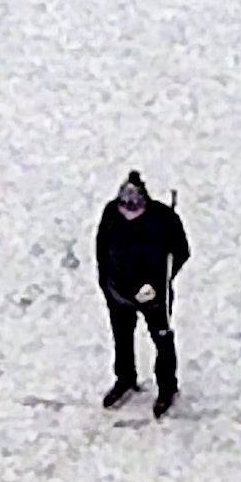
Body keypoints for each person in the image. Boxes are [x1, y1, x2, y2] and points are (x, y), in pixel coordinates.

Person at [95, 170, 190, 417]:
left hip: (153, 296)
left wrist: (160, 282)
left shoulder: (163, 218)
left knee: (162, 339)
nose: (129, 209)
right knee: (122, 338)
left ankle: (167, 387)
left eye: (135, 203)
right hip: (118, 293)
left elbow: (181, 251)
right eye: (125, 203)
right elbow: (101, 249)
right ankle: (125, 378)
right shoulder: (110, 215)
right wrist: (106, 283)